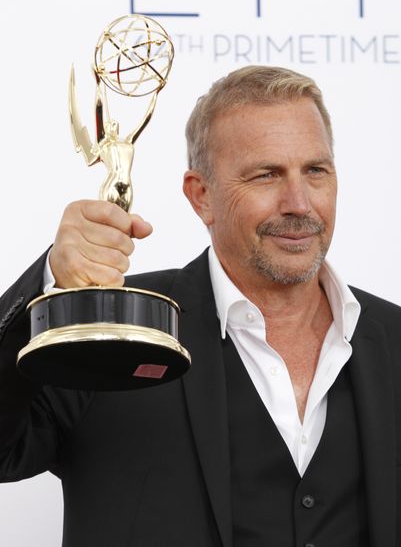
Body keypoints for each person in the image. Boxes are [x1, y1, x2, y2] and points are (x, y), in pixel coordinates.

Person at [0, 66, 400, 547]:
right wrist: (49, 282)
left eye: (315, 171)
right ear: (201, 196)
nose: (299, 202)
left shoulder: (394, 339)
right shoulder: (112, 325)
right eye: (266, 175)